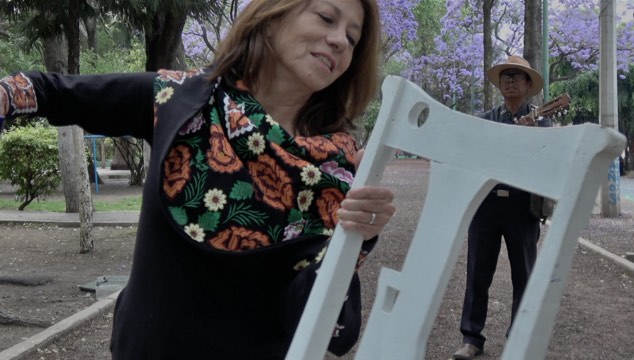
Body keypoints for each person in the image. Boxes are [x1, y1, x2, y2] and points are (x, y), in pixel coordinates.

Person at [0, 0, 396, 358]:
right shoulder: (180, 101)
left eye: (352, 37)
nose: (340, 40)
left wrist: (357, 237)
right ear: (271, 16)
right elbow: (52, 91)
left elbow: (328, 329)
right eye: (327, 17)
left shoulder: (338, 165)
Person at [453, 55, 551, 360]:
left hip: (523, 208)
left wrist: (530, 137)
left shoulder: (542, 122)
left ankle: (518, 337)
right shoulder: (485, 120)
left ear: (527, 85)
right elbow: (472, 156)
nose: (510, 80)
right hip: (485, 206)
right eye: (505, 76)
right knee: (477, 273)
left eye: (517, 76)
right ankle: (472, 338)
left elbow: (549, 162)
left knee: (524, 273)